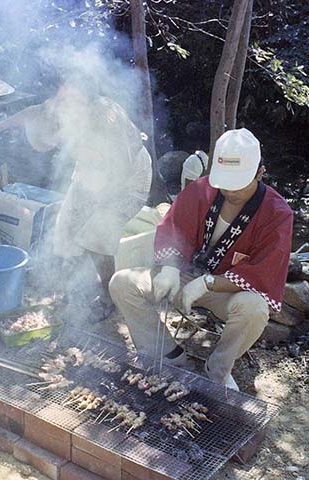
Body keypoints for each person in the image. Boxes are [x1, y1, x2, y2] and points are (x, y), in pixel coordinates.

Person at [109, 129, 293, 391]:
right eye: (224, 182)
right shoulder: (202, 190)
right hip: (183, 277)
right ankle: (168, 354)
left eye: (237, 183)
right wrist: (169, 269)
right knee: (122, 283)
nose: (229, 191)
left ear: (260, 173)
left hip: (226, 291)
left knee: (255, 309)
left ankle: (217, 370)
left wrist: (207, 283)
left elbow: (264, 271)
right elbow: (173, 228)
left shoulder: (277, 213)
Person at [0, 81, 152, 319]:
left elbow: (122, 162)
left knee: (97, 235)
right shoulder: (61, 108)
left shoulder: (107, 117)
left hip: (128, 179)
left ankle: (109, 298)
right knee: (66, 227)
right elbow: (32, 113)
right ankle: (73, 289)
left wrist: (100, 198)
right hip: (91, 172)